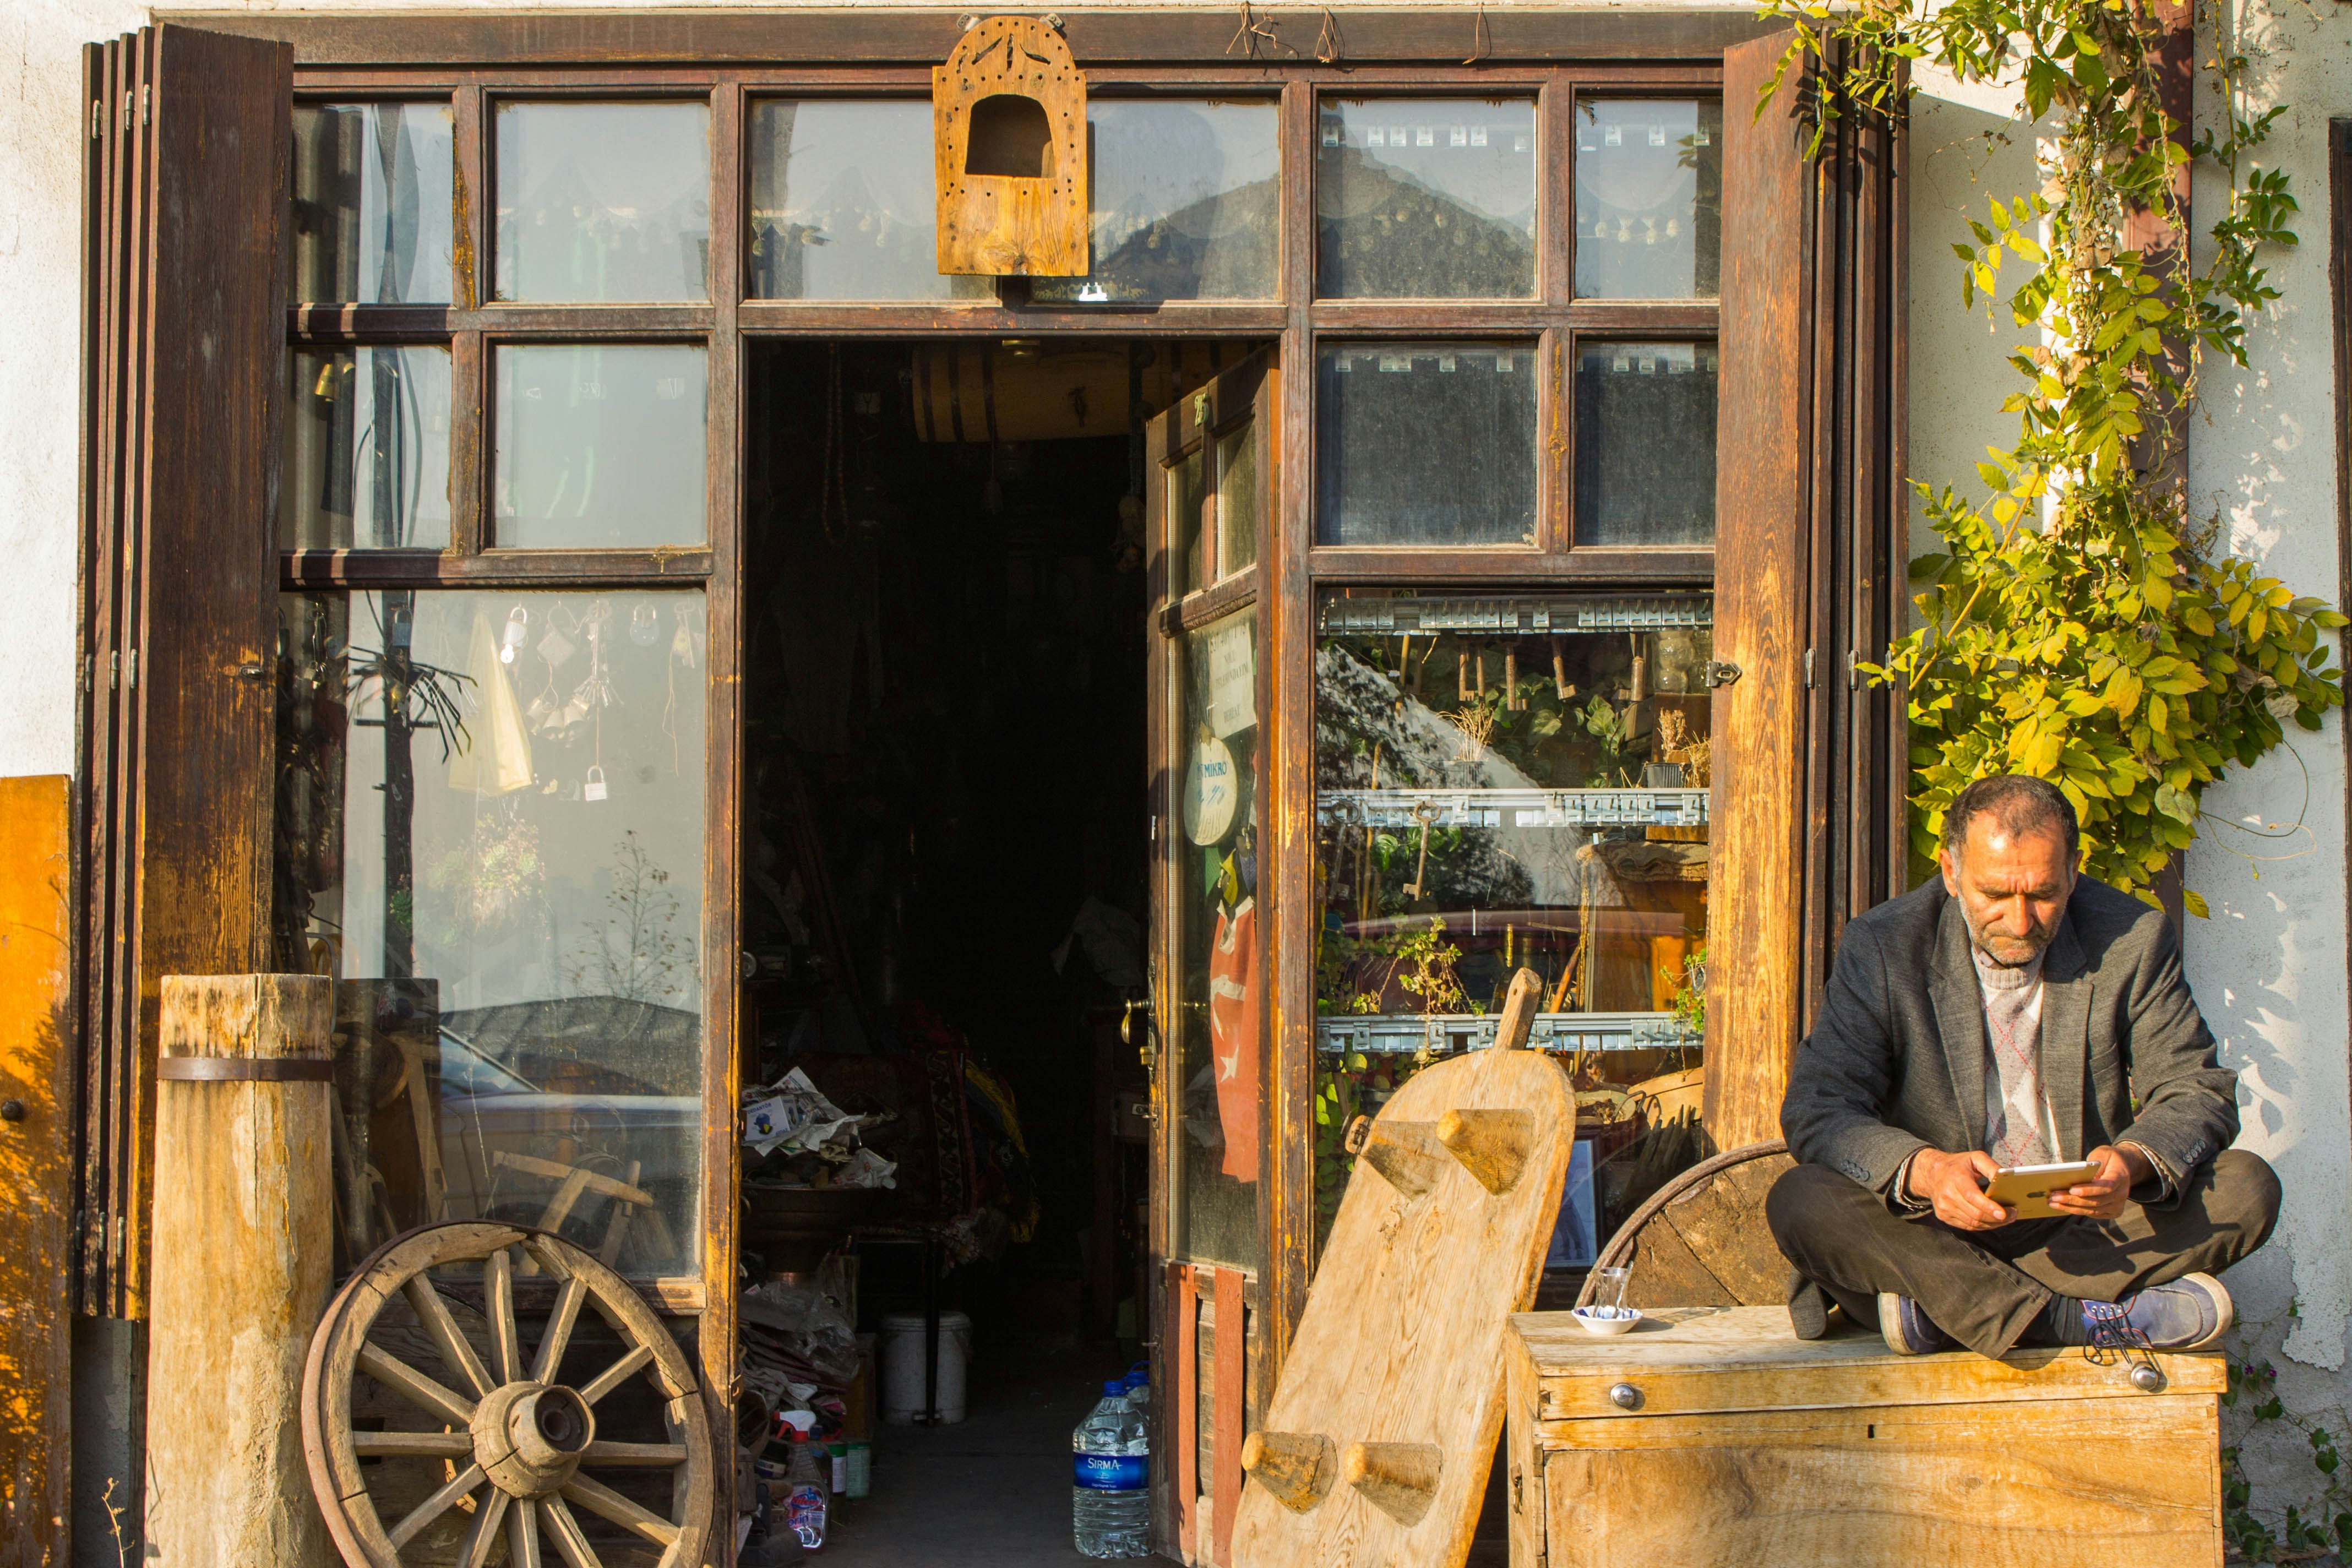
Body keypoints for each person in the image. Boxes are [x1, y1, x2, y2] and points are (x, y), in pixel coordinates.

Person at [1768, 773, 2280, 1359]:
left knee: (2247, 1185)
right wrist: (1928, 1172)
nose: (2019, 921)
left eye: (2042, 894)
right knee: (1800, 1198)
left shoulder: (2132, 938)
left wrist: (2132, 1164)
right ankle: (2073, 1317)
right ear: (1951, 872)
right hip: (1934, 1229)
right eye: (1995, 895)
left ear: (2074, 871)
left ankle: (1948, 1312)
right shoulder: (1884, 945)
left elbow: (2197, 1090)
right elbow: (1819, 1108)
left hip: (2084, 1227)